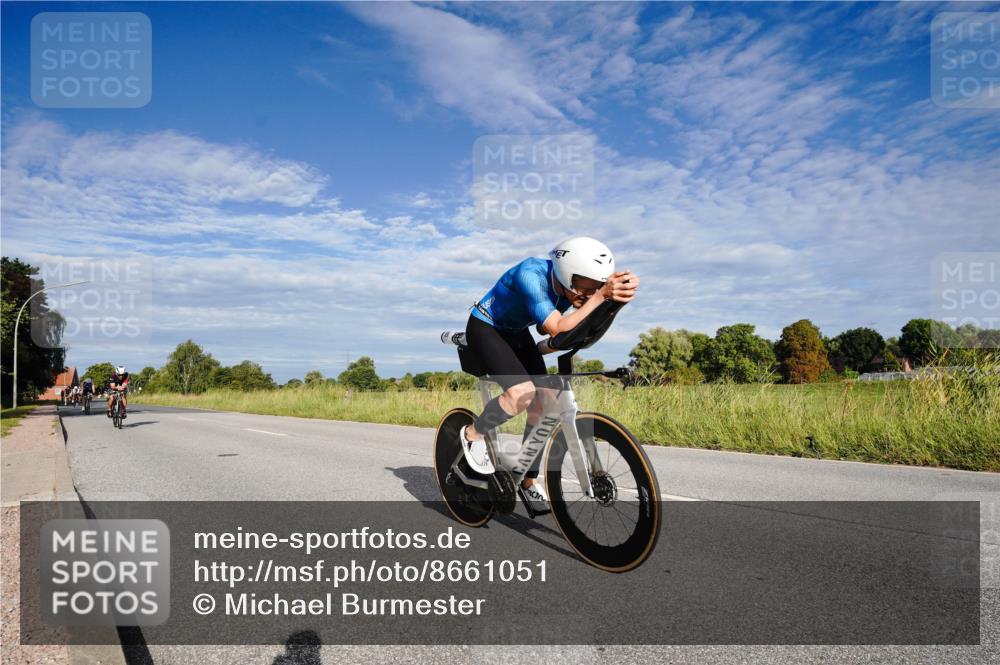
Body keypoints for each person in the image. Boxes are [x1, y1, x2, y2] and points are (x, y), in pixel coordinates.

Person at [458, 236, 638, 513]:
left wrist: (615, 301)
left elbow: (545, 330)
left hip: (517, 333)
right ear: (567, 275)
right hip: (486, 327)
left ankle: (527, 481)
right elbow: (556, 326)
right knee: (521, 394)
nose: (590, 295)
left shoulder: (568, 287)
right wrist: (602, 297)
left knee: (545, 403)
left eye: (597, 287)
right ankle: (473, 434)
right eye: (587, 288)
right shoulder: (531, 275)